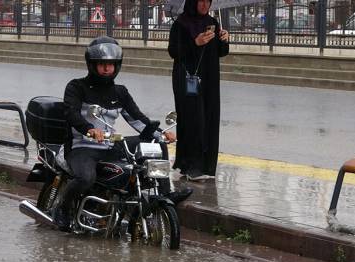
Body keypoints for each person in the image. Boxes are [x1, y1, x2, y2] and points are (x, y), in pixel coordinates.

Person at [54, 36, 193, 230]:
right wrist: (89, 129)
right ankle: (63, 208)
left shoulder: (120, 92)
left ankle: (163, 194)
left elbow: (137, 119)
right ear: (91, 65)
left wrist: (161, 134)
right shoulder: (76, 87)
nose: (106, 68)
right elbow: (71, 113)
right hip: (81, 147)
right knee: (86, 178)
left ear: (117, 66)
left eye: (110, 64)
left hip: (110, 145)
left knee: (155, 145)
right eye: (101, 64)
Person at [168, 0, 230, 181]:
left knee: (209, 118)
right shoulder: (181, 24)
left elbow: (220, 52)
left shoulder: (213, 22)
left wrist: (224, 40)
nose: (204, 5)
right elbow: (173, 51)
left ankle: (206, 166)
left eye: (207, 1)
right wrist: (195, 42)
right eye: (200, 1)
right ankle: (190, 166)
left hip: (209, 79)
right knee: (193, 120)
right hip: (187, 80)